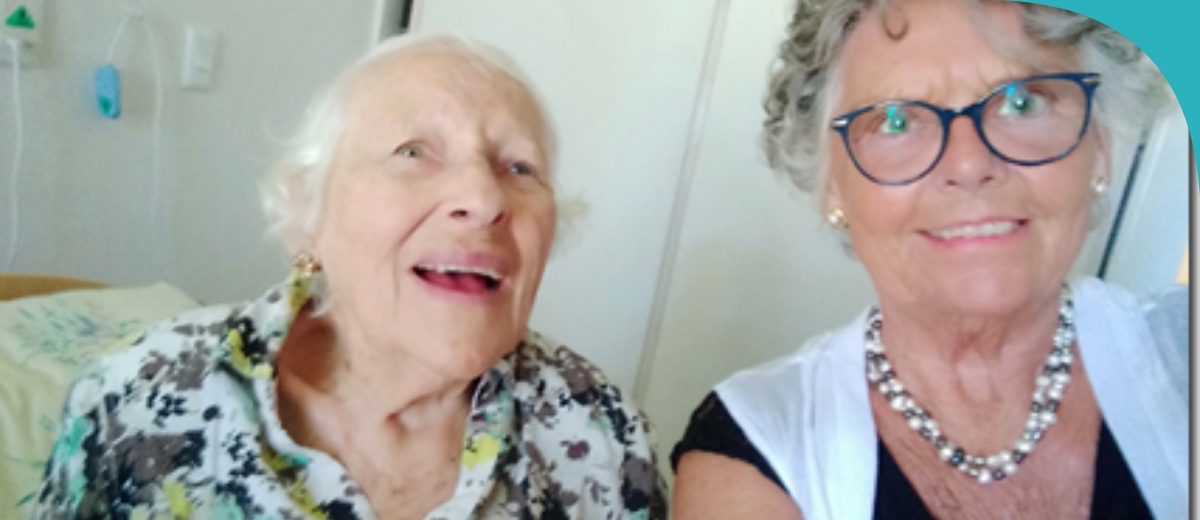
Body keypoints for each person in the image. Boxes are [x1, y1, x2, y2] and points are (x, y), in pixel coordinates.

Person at [32, 32, 665, 520]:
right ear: (308, 212)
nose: (484, 197)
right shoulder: (136, 401)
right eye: (413, 152)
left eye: (520, 168)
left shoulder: (604, 434)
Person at [671, 0, 1185, 519]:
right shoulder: (757, 448)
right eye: (895, 120)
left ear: (1098, 146)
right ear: (832, 188)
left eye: (1023, 101)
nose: (968, 163)